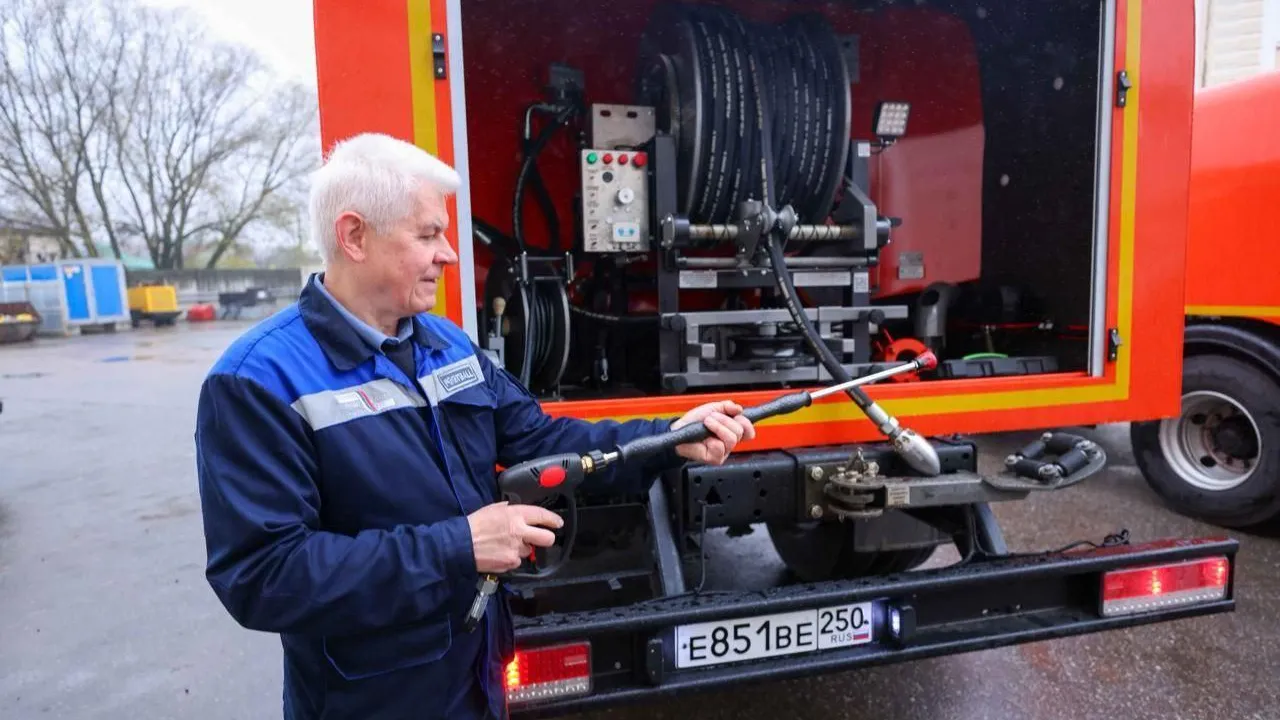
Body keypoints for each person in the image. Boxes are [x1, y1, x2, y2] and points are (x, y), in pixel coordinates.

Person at [194, 132, 756, 720]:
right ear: (354, 235)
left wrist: (671, 437)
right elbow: (263, 577)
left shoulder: (447, 346)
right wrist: (459, 546)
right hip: (374, 701)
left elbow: (544, 442)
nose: (450, 255)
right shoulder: (258, 382)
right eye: (428, 234)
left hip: (477, 682)